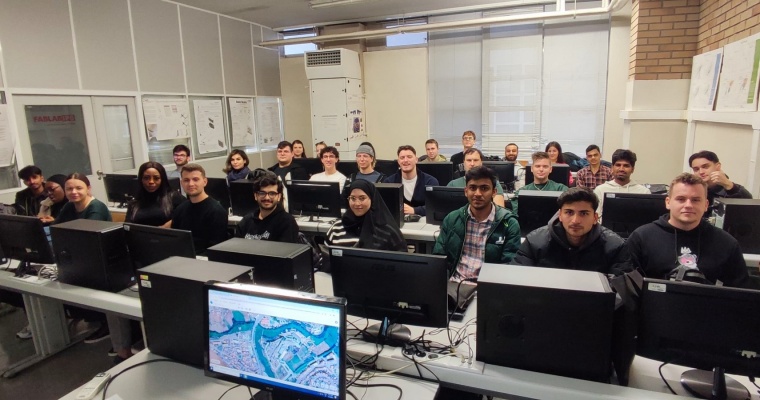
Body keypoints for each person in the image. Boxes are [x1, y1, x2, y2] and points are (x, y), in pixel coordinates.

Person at [626, 173, 750, 288]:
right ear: (668, 202)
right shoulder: (642, 238)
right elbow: (629, 289)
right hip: (654, 304)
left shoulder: (726, 243)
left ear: (706, 205)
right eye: (681, 199)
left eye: (695, 200)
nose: (688, 205)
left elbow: (740, 293)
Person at [54, 173, 113, 348]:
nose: (74, 192)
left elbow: (86, 238)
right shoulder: (68, 207)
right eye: (69, 189)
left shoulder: (96, 208)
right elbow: (57, 229)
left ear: (88, 188)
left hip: (101, 260)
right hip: (79, 257)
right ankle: (84, 314)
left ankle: (104, 322)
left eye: (78, 188)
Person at [512, 187, 629, 275]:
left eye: (584, 213)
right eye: (569, 212)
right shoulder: (535, 241)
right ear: (560, 215)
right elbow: (518, 279)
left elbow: (621, 290)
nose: (575, 221)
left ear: (595, 218)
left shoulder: (614, 246)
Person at [433, 166, 521, 281]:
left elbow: (509, 265)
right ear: (466, 191)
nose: (478, 193)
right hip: (454, 283)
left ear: (494, 192)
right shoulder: (452, 219)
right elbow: (439, 258)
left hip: (488, 286)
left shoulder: (508, 223)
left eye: (484, 188)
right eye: (472, 188)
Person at [325, 180, 407, 251]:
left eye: (362, 198)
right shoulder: (336, 228)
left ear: (372, 199)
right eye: (353, 198)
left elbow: (401, 260)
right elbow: (326, 258)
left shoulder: (387, 231)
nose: (357, 203)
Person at [170, 163, 228, 255]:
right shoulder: (180, 210)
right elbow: (174, 240)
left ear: (205, 182)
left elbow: (216, 248)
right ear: (181, 183)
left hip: (204, 260)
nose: (191, 184)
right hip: (182, 257)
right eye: (186, 180)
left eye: (195, 179)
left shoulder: (216, 211)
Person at [235, 171, 299, 243]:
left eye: (272, 193)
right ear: (256, 196)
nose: (267, 198)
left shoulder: (287, 222)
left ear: (279, 197)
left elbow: (286, 249)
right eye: (262, 193)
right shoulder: (246, 221)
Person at [383, 145, 439, 216]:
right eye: (402, 158)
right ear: (398, 161)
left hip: (423, 220)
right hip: (397, 221)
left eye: (409, 157)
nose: (405, 160)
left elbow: (435, 206)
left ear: (416, 160)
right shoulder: (389, 183)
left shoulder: (430, 181)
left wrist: (414, 210)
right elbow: (384, 207)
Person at [593, 149, 650, 218]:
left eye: (626, 166)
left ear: (632, 169)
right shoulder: (600, 190)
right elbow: (595, 217)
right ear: (612, 168)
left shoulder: (644, 192)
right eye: (618, 165)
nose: (621, 169)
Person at [125, 162, 186, 226]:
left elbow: (188, 214)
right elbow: (127, 226)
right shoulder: (134, 203)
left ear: (162, 179)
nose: (151, 182)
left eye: (156, 178)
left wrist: (170, 224)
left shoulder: (173, 197)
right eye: (146, 178)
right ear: (141, 179)